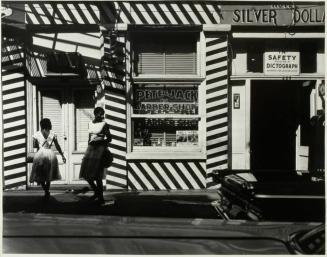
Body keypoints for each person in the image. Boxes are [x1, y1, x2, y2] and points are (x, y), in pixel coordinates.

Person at [79, 107, 112, 204]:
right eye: (100, 114)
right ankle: (97, 191)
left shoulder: (104, 124)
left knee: (97, 175)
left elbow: (109, 138)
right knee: (87, 174)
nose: (102, 116)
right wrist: (87, 149)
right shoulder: (90, 123)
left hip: (100, 150)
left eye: (103, 114)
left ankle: (100, 197)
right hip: (90, 149)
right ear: (96, 114)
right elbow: (89, 138)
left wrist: (102, 142)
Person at [29, 118, 66, 200]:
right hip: (50, 154)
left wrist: (38, 142)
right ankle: (47, 191)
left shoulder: (37, 134)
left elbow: (34, 146)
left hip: (40, 155)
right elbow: (57, 145)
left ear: (41, 125)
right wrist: (62, 155)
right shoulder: (52, 134)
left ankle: (46, 191)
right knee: (48, 174)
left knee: (39, 173)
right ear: (49, 124)